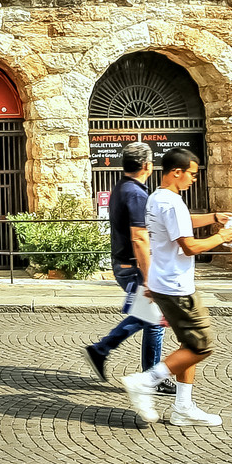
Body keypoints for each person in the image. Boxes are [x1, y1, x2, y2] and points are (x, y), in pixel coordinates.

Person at [118, 148, 232, 427]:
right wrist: (221, 236)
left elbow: (180, 223)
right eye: (192, 174)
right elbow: (189, 246)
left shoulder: (158, 198)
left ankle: (183, 407)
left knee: (189, 344)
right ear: (177, 172)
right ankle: (145, 381)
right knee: (202, 346)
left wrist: (212, 217)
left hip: (166, 281)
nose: (194, 180)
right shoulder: (171, 202)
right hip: (176, 286)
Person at [82, 143, 168, 394]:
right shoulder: (136, 194)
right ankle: (105, 353)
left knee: (151, 319)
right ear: (147, 166)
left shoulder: (122, 187)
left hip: (124, 263)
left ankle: (107, 354)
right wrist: (150, 277)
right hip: (133, 266)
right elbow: (139, 238)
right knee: (151, 318)